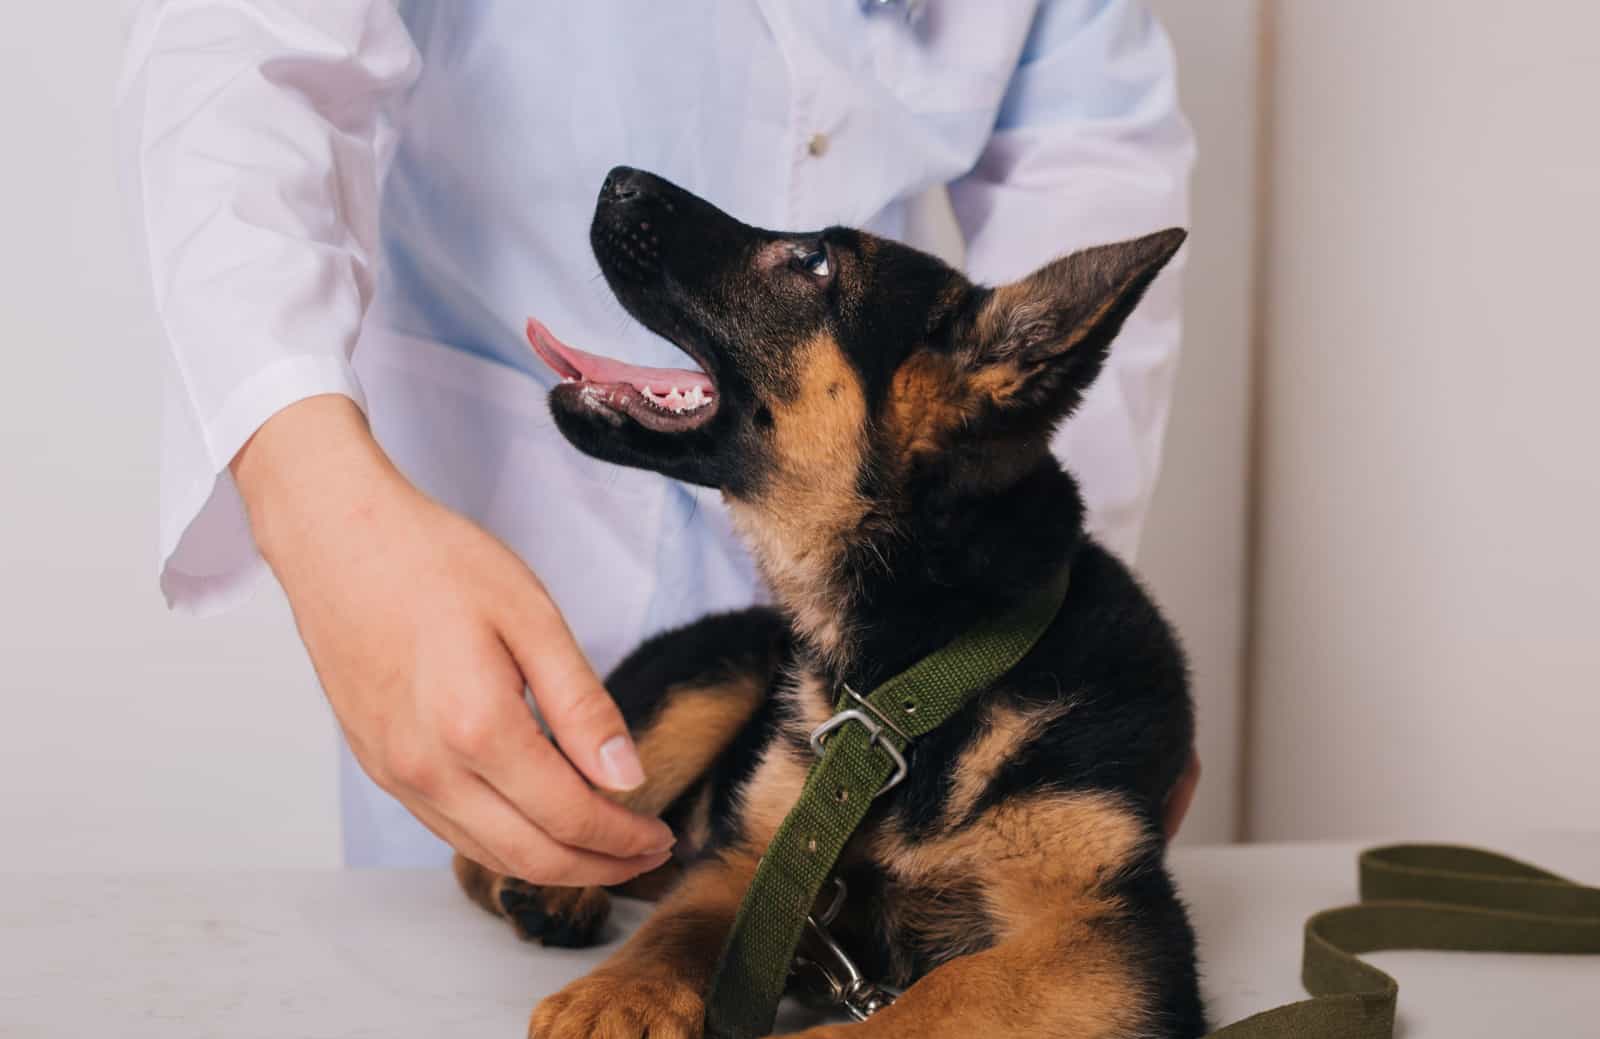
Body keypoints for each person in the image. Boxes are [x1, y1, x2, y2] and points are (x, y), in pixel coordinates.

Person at [117, 0, 1198, 884]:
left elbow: (1088, 154)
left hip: (880, 606)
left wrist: (1033, 631)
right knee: (479, 976)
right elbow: (242, 60)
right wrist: (324, 514)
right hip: (506, 550)